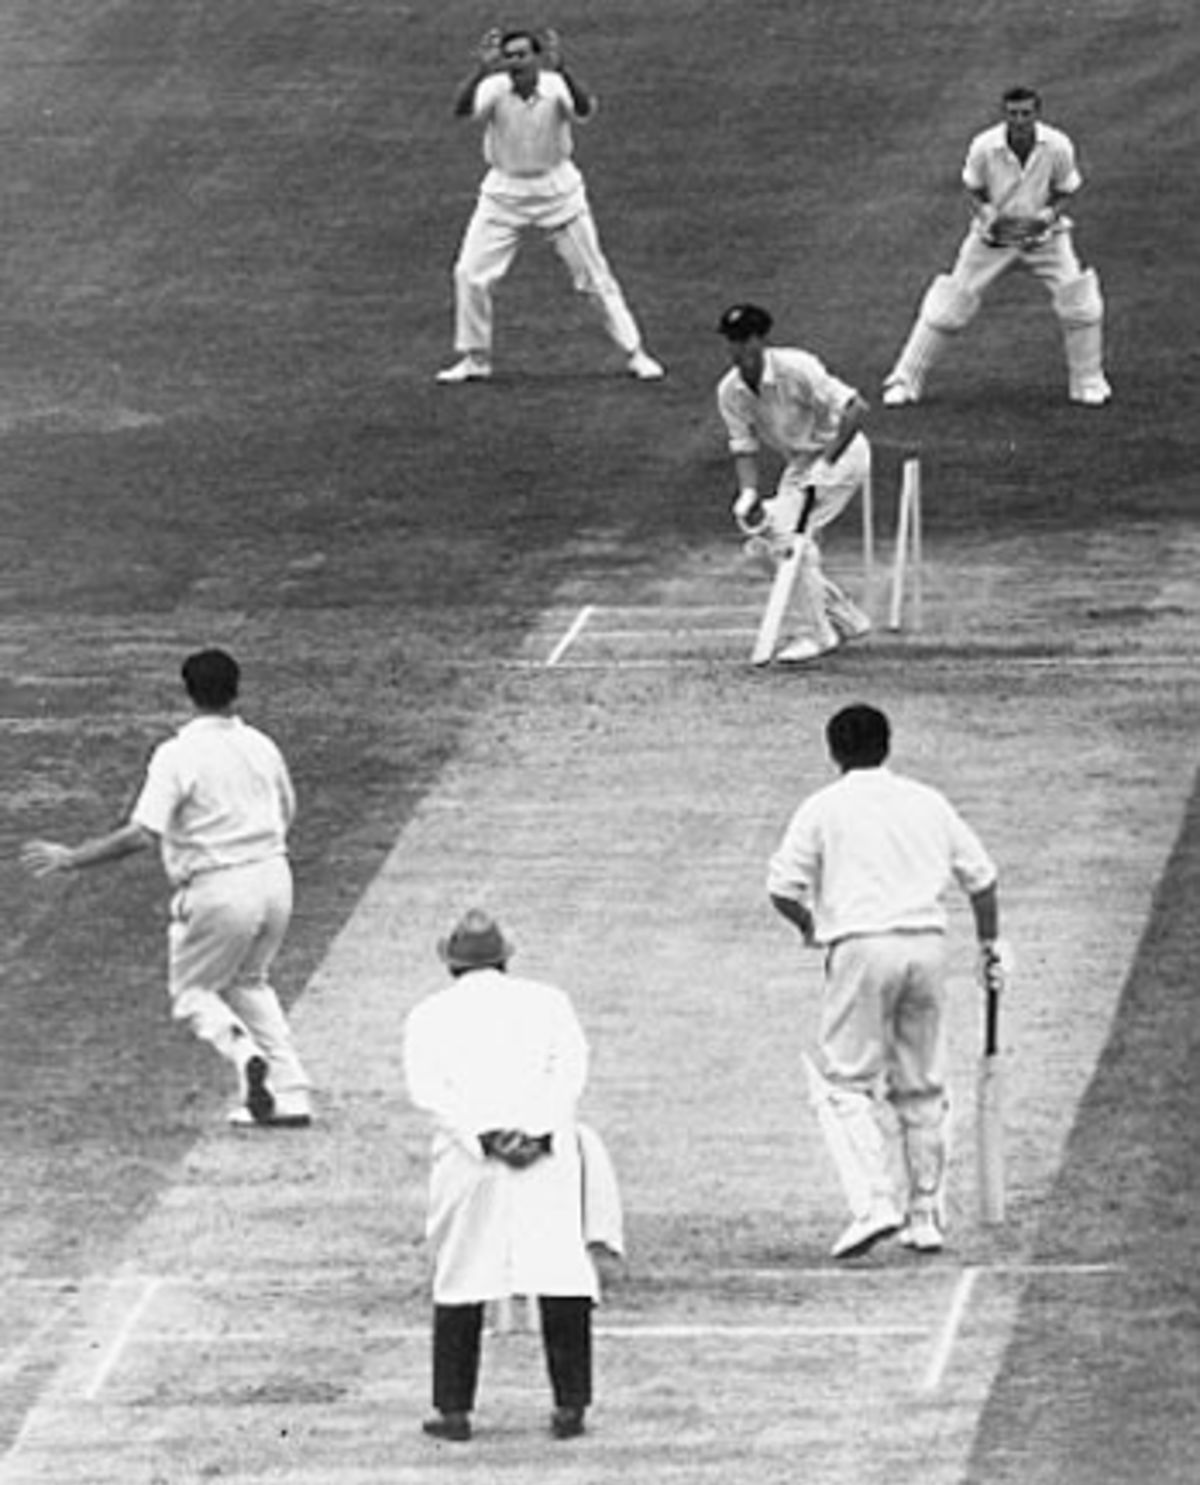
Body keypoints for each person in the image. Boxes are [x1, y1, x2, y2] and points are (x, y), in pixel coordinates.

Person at [20, 648, 312, 1129]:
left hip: (220, 885)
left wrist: (72, 857)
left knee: (193, 992)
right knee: (249, 981)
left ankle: (245, 1055)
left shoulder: (178, 754)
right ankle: (294, 1092)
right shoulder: (262, 745)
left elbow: (141, 833)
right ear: (236, 689)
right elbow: (288, 809)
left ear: (188, 692)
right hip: (275, 877)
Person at [766, 704, 1005, 1258]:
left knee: (844, 1084)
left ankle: (876, 1204)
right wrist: (990, 945)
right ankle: (925, 1216)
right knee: (922, 1084)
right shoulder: (927, 801)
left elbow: (782, 888)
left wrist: (812, 929)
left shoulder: (823, 808)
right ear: (887, 744)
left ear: (834, 752)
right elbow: (983, 879)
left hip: (860, 946)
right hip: (927, 946)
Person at [403, 910, 606, 1443]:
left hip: (469, 1164)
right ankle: (570, 1407)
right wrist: (535, 1134)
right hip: (544, 1158)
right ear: (505, 957)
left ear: (450, 963)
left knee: (460, 1273)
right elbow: (570, 1071)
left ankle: (453, 1412)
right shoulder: (548, 1002)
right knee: (560, 1268)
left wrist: (486, 1138)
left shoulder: (427, 1015)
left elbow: (430, 1094)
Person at [435, 27, 665, 384]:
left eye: (522, 55)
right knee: (470, 273)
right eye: (509, 56)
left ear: (537, 58)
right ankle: (475, 359)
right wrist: (480, 71)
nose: (515, 62)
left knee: (593, 277)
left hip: (558, 192)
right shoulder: (494, 88)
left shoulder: (556, 86)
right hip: (504, 192)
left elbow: (585, 109)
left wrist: (566, 71)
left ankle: (635, 353)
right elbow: (462, 110)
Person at [882, 85, 1111, 407]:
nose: (1019, 120)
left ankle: (1088, 381)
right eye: (1013, 114)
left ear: (1036, 114)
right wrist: (990, 215)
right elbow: (972, 189)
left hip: (1045, 240)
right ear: (1004, 114)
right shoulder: (984, 146)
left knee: (1081, 303)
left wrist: (1045, 217)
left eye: (1026, 114)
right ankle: (905, 381)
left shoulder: (1057, 146)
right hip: (991, 240)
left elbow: (1066, 189)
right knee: (947, 306)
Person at [716, 303, 873, 665]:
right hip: (802, 467)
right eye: (730, 341)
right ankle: (843, 618)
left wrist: (828, 462)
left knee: (788, 539)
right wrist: (748, 494)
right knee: (760, 544)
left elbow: (856, 408)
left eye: (743, 340)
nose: (736, 349)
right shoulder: (730, 391)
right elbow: (743, 448)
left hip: (843, 455)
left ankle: (818, 634)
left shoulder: (797, 367)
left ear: (760, 341)